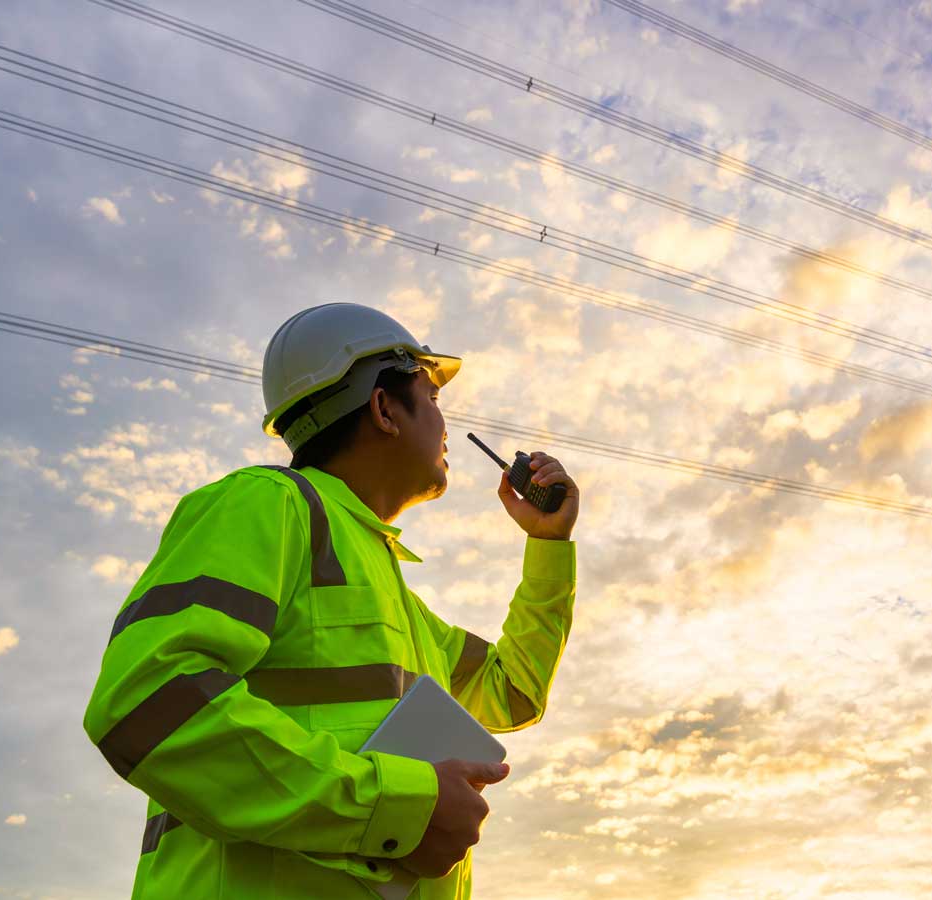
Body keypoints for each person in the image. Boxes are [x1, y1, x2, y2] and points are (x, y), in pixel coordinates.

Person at [82, 302, 579, 898]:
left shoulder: (395, 596)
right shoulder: (267, 504)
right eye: (434, 398)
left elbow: (513, 691)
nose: (445, 425)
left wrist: (548, 546)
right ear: (383, 408)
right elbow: (147, 699)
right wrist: (395, 808)